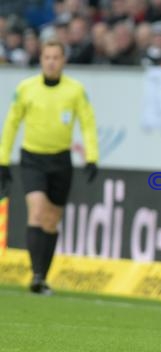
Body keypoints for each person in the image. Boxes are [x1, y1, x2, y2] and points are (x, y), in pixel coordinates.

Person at [0, 39, 99, 295]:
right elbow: (11, 123)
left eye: (56, 57)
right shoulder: (26, 88)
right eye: (47, 57)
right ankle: (35, 274)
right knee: (36, 211)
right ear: (41, 60)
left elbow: (87, 123)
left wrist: (92, 156)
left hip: (60, 160)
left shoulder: (74, 90)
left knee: (52, 220)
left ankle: (43, 276)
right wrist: (3, 159)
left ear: (63, 60)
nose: (51, 62)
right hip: (32, 158)